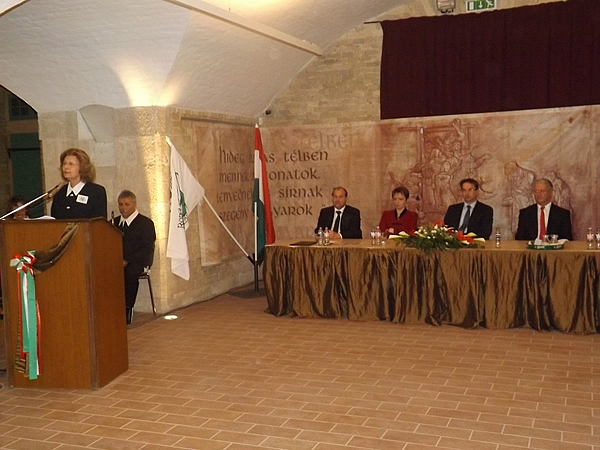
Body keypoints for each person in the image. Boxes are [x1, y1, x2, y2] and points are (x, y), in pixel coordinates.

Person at [113, 190, 156, 324]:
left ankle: (126, 309)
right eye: (121, 204)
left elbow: (147, 249)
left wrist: (127, 260)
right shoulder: (113, 223)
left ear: (134, 204)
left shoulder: (145, 223)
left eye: (127, 204)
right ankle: (110, 308)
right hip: (117, 261)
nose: (123, 208)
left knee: (129, 274)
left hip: (137, 261)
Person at [50, 148, 107, 219]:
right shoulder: (59, 193)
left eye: (71, 164)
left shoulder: (96, 192)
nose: (66, 167)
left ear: (82, 167)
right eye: (64, 163)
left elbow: (100, 223)